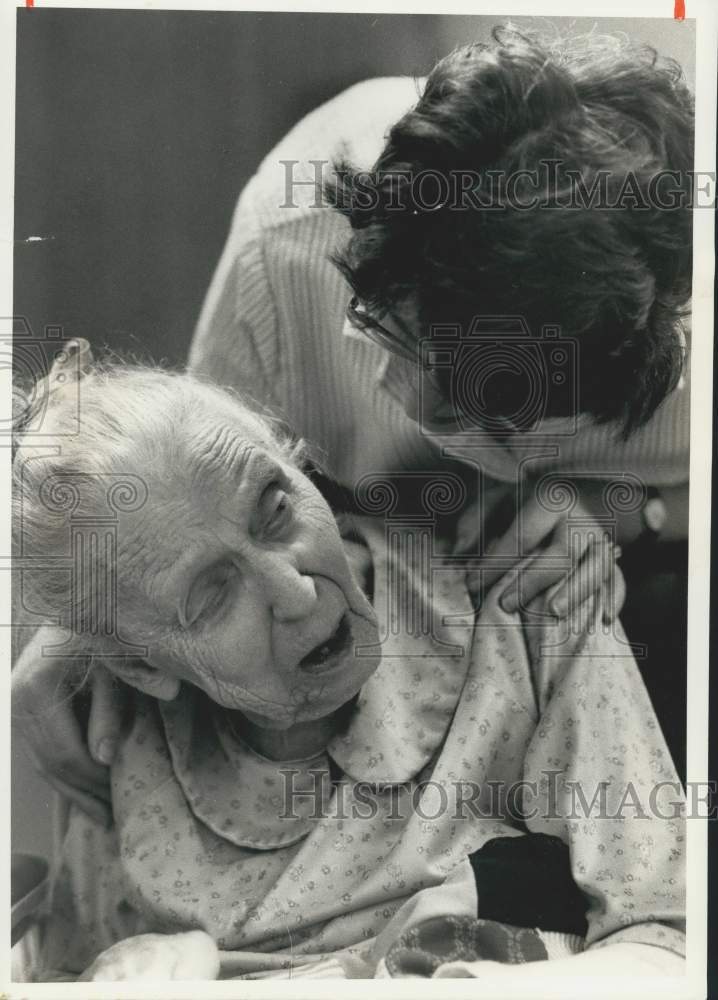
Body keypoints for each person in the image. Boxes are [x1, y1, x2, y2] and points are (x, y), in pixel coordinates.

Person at [13, 26, 692, 822]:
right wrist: (84, 626)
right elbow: (189, 503)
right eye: (398, 336)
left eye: (487, 405)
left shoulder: (686, 325)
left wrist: (632, 511)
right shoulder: (286, 242)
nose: (421, 411)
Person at [12, 358, 685, 981]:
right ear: (141, 665)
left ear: (301, 466)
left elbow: (669, 937)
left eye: (277, 511)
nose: (297, 592)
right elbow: (63, 972)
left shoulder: (531, 598)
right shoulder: (116, 730)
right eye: (214, 595)